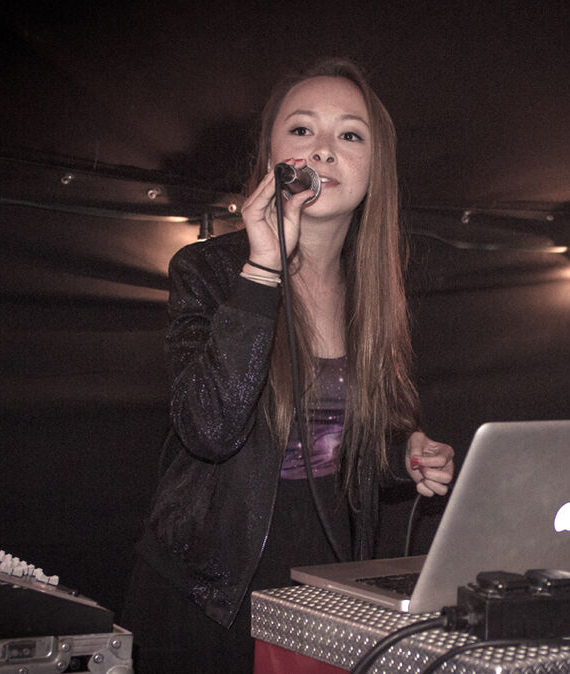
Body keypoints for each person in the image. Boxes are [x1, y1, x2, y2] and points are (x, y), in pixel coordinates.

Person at [122, 58, 454, 672]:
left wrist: (402, 453)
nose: (324, 149)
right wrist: (263, 269)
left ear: (375, 169)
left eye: (350, 135)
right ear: (271, 155)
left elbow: (339, 440)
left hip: (322, 582)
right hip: (211, 590)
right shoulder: (209, 271)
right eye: (302, 130)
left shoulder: (374, 292)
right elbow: (211, 429)